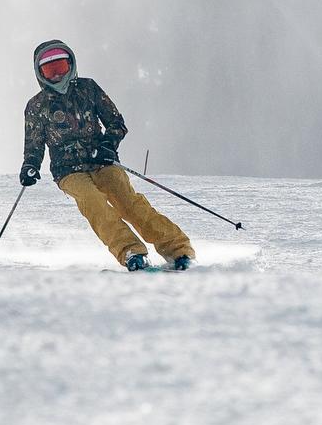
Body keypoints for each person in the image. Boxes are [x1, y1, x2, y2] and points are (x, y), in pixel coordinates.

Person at [20, 39, 195, 271]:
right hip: (68, 170)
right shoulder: (36, 106)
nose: (57, 76)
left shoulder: (88, 89)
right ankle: (130, 251)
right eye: (50, 71)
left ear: (71, 66)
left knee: (127, 200)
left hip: (101, 160)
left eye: (60, 68)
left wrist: (107, 145)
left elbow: (116, 123)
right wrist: (30, 165)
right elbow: (34, 145)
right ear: (40, 74)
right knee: (93, 202)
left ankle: (177, 249)